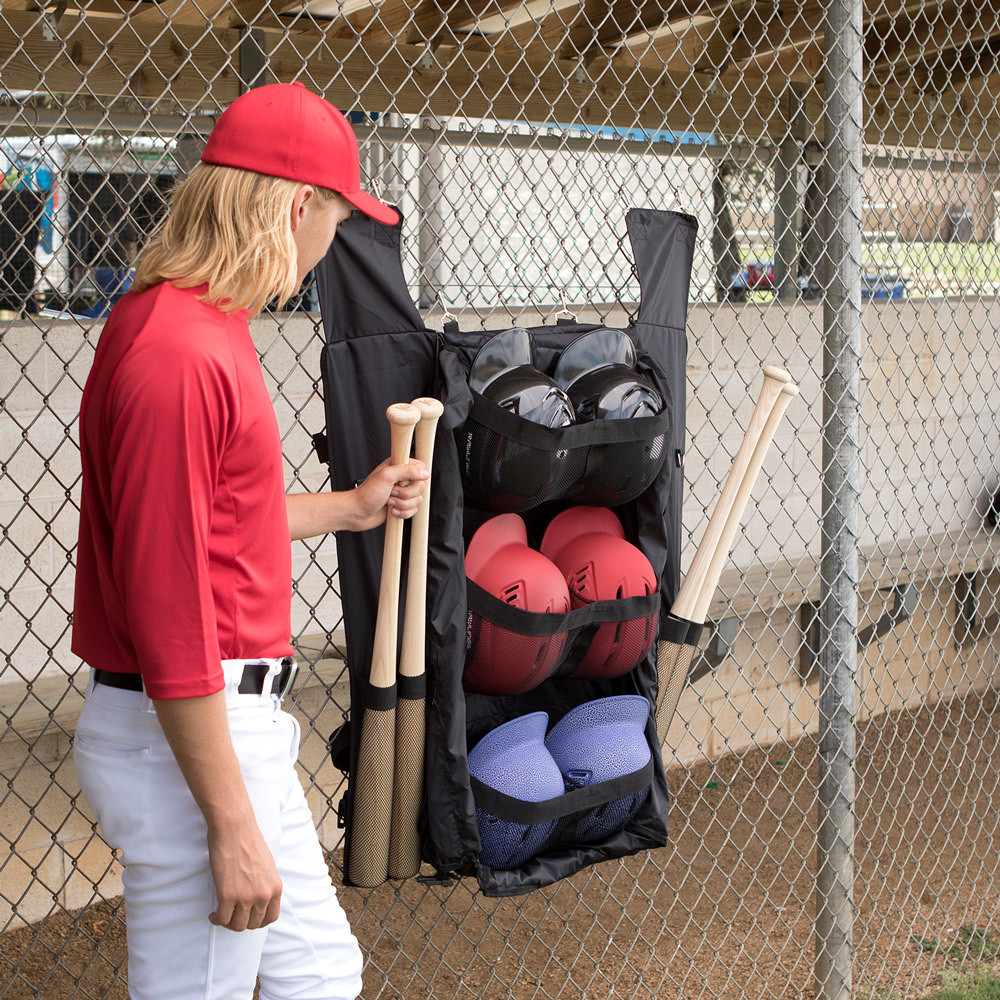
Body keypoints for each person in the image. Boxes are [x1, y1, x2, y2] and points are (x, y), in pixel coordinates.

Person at [71, 82, 425, 1000]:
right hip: (187, 731)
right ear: (297, 204)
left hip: (223, 721)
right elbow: (168, 606)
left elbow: (224, 519)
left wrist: (353, 506)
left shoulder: (203, 324)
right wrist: (229, 824)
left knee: (319, 976)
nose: (331, 244)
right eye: (337, 219)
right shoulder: (177, 351)